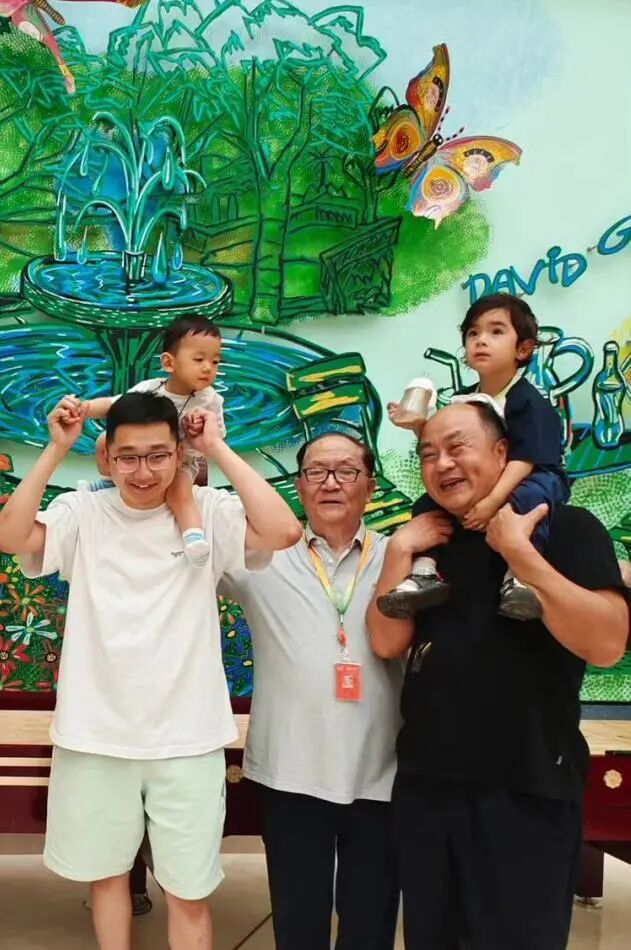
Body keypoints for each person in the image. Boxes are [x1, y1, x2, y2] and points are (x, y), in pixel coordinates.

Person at [0, 391, 301, 950]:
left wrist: (218, 447)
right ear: (107, 457)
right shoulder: (83, 513)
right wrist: (54, 448)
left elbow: (283, 531)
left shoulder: (206, 511)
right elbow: (10, 536)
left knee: (189, 891)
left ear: (179, 453)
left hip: (187, 738)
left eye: (158, 455)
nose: (143, 472)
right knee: (108, 878)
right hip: (95, 736)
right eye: (129, 457)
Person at [367, 401, 628, 950]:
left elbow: (607, 644)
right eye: (428, 454)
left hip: (525, 789)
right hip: (428, 787)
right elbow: (387, 642)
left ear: (503, 452)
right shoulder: (431, 542)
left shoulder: (567, 528)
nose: (442, 464)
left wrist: (518, 552)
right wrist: (400, 547)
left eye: (457, 446)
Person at [219, 432, 403, 950]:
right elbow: (180, 555)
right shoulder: (261, 558)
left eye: (346, 471)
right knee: (298, 923)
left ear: (370, 485)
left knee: (371, 924)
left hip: (382, 771)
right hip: (291, 771)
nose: (330, 483)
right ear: (298, 487)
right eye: (316, 472)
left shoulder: (400, 556)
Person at [381, 293, 569, 621]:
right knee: (426, 504)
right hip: (492, 487)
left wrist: (492, 502)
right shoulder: (465, 398)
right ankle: (424, 571)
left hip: (534, 477)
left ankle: (519, 576)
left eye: (496, 332)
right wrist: (418, 426)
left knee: (528, 498)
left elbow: (525, 459)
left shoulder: (527, 400)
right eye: (473, 333)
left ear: (523, 349)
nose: (481, 340)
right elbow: (446, 447)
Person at [82, 314, 225, 568]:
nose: (208, 368)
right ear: (169, 362)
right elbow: (114, 405)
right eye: (199, 359)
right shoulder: (150, 389)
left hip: (182, 460)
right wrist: (83, 409)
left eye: (215, 361)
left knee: (180, 491)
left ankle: (193, 536)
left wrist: (200, 431)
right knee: (105, 440)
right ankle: (109, 483)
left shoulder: (210, 400)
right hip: (144, 456)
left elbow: (216, 439)